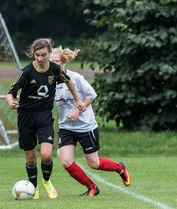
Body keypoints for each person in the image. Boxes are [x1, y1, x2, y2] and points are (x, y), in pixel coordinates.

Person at [6, 38, 86, 199]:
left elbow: (69, 82)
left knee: (46, 155)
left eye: (43, 55)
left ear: (49, 54)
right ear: (33, 55)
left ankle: (47, 181)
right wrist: (10, 102)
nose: (40, 58)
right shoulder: (27, 71)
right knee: (30, 158)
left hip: (44, 116)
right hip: (25, 117)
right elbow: (11, 92)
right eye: (37, 55)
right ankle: (33, 188)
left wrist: (78, 100)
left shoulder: (55, 70)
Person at [51, 46, 131, 196]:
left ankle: (119, 168)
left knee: (94, 163)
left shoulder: (75, 78)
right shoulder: (50, 83)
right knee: (66, 161)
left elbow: (91, 95)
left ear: (62, 61)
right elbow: (59, 108)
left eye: (55, 61)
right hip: (66, 128)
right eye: (50, 62)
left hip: (85, 126)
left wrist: (76, 111)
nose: (52, 64)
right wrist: (59, 128)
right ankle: (92, 187)